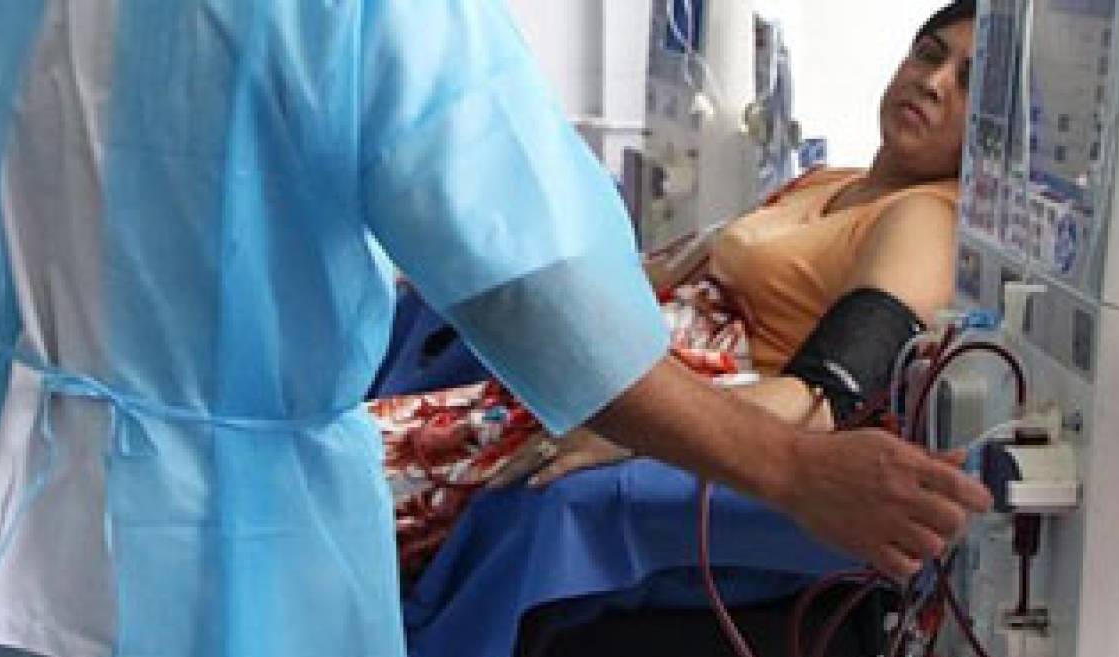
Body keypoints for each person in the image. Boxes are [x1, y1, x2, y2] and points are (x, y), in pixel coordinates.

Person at [0, 2, 990, 657]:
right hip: (234, 534)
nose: (931, 83)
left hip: (1, 489)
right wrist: (792, 473)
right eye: (927, 51)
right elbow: (533, 285)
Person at [379, 2, 976, 575]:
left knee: (362, 491)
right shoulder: (832, 183)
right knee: (357, 460)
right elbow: (664, 271)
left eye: (968, 81)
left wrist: (649, 436)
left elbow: (822, 400)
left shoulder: (925, 221)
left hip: (655, 400)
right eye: (929, 54)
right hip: (609, 373)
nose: (933, 83)